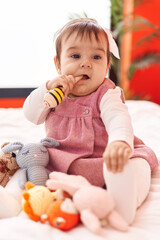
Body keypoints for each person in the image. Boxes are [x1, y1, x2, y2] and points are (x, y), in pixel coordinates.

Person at [0, 18, 158, 225]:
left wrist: (119, 142)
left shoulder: (107, 93)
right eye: (75, 55)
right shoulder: (55, 93)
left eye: (96, 57)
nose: (86, 63)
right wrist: (46, 87)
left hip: (107, 158)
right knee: (30, 170)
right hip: (61, 161)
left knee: (138, 165)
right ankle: (11, 202)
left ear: (107, 65)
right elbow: (30, 114)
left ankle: (124, 203)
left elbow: (118, 118)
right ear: (58, 64)